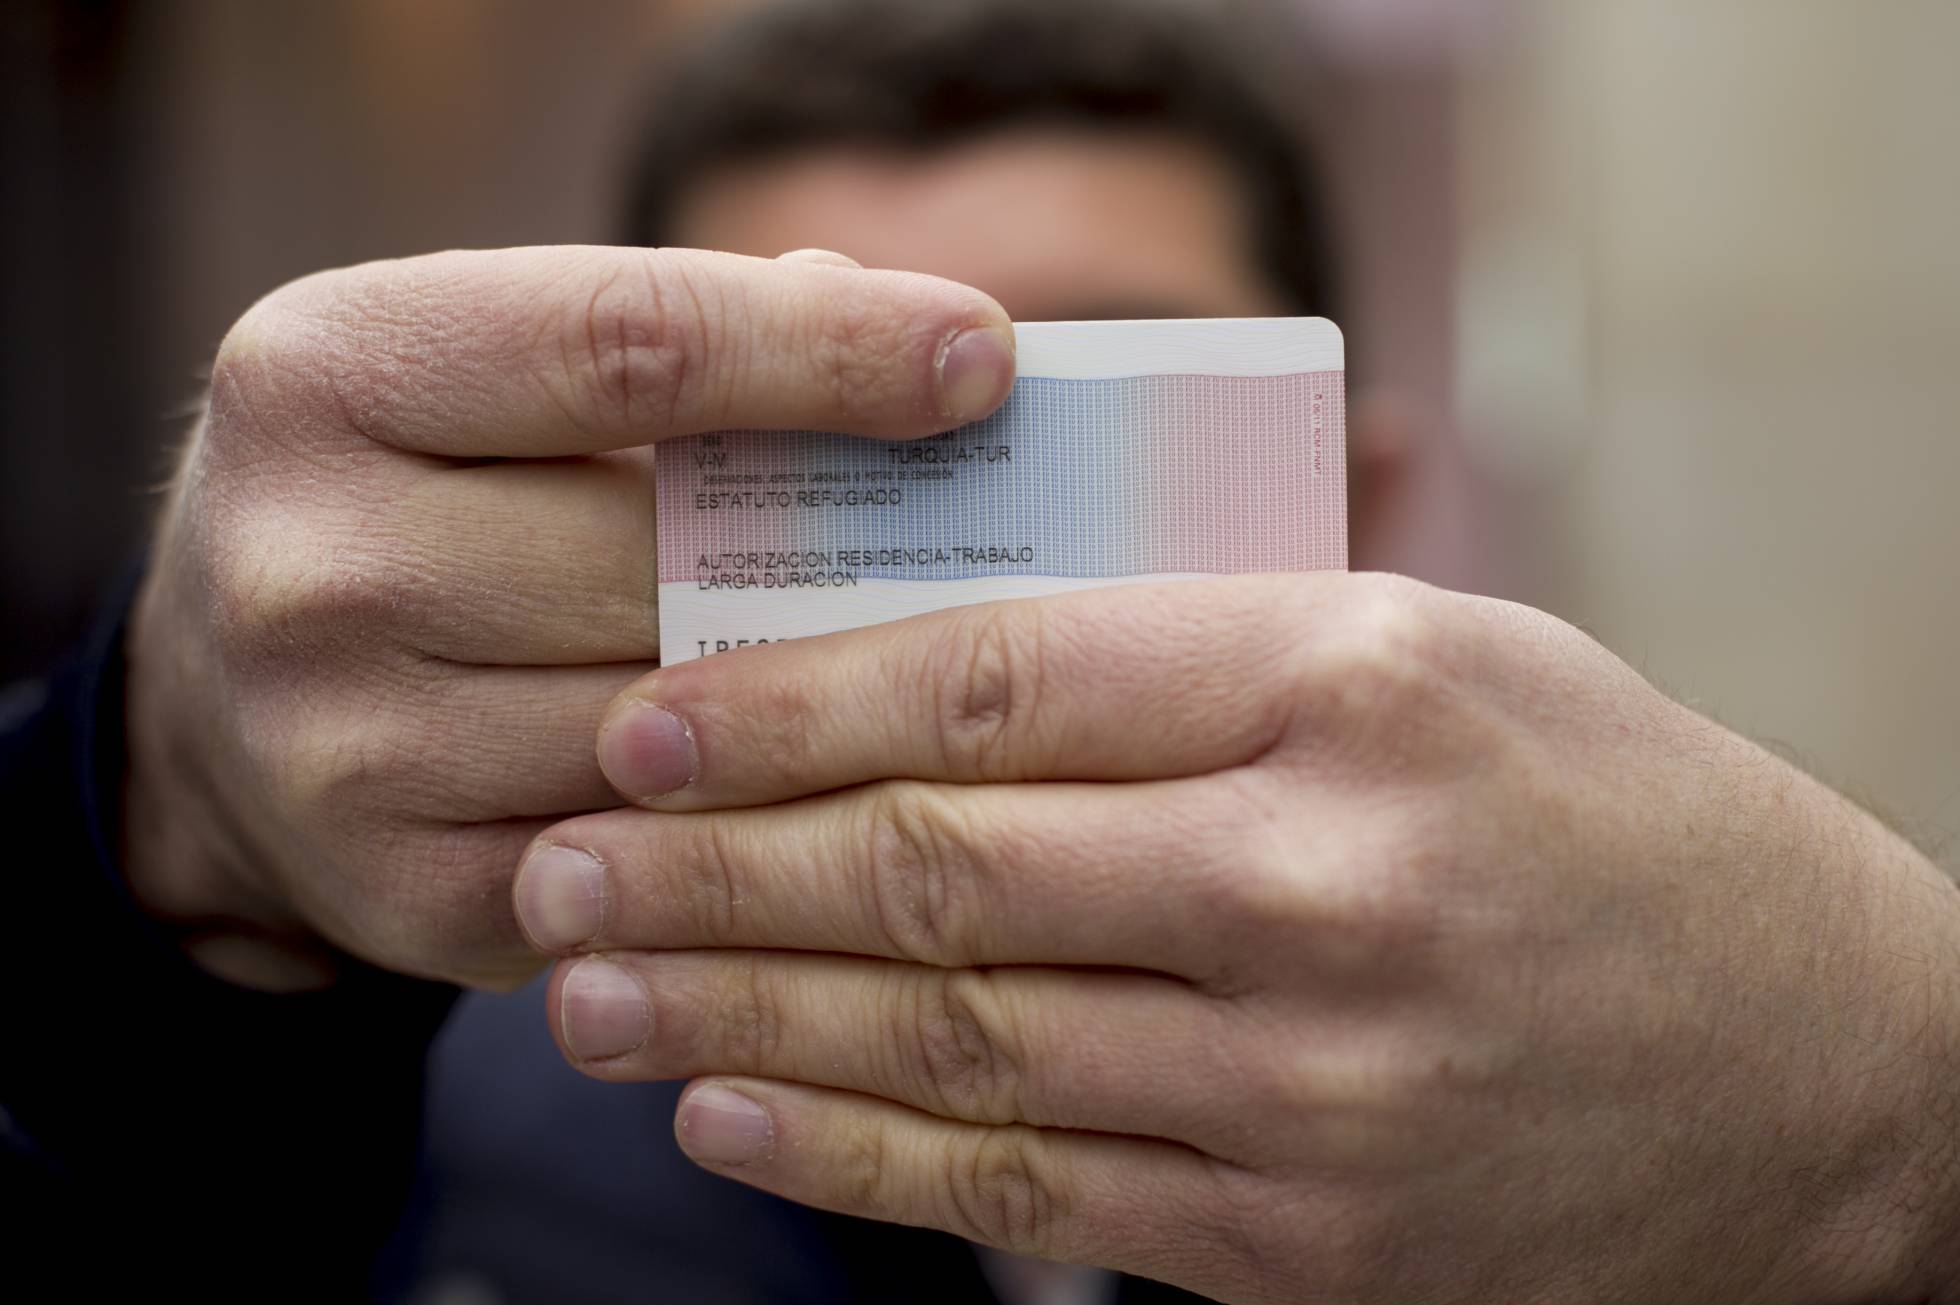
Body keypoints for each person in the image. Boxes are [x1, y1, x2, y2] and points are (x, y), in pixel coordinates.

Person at [5, 1, 1957, 1301]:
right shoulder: (457, 1105)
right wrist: (163, 808)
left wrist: (1895, 1134)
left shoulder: (1629, 1086)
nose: (973, 577)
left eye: (1095, 432)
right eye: (831, 455)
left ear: (1350, 495)